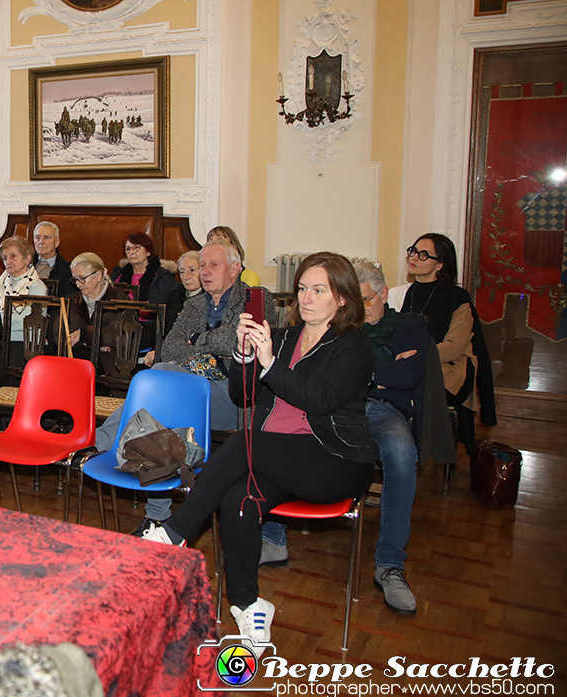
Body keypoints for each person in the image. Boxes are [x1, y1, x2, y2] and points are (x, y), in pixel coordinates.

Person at [143, 252, 376, 657]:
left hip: (334, 462)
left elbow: (321, 401)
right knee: (237, 500)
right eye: (302, 288)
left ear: (342, 298)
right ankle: (249, 605)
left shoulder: (354, 346)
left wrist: (268, 364)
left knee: (243, 442)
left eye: (318, 290)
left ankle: (174, 532)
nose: (306, 298)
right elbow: (242, 395)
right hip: (275, 459)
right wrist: (244, 356)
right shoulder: (284, 338)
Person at [260, 258, 432, 615]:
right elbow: (313, 384)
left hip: (381, 408)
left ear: (384, 295)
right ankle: (272, 536)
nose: (361, 306)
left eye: (368, 299)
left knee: (401, 451)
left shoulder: (409, 328)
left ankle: (389, 564)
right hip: (328, 409)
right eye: (356, 298)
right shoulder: (334, 328)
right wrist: (376, 371)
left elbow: (406, 376)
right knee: (279, 426)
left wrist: (363, 374)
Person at [401, 233, 496, 452]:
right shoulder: (411, 293)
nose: (414, 257)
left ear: (440, 264)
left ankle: (409, 449)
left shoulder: (458, 297)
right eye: (413, 251)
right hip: (417, 364)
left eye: (424, 255)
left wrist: (415, 354)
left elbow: (454, 348)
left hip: (450, 371)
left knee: (401, 382)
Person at [147, 241, 251, 431]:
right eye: (202, 265)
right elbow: (169, 348)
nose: (205, 272)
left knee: (157, 387)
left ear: (235, 269)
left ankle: (101, 445)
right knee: (158, 377)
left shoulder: (253, 300)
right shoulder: (195, 305)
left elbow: (234, 341)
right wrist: (213, 354)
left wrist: (195, 339)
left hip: (233, 394)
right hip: (193, 384)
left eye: (214, 265)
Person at [0, 235, 48, 368]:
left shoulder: (37, 287)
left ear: (27, 258)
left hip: (26, 344)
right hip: (1, 339)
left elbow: (28, 320)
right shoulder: (0, 284)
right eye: (5, 258)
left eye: (13, 256)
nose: (8, 261)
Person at [65, 252, 111, 360]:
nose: (78, 284)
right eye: (75, 279)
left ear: (98, 275)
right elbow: (60, 329)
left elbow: (119, 333)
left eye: (82, 278)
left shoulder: (119, 301)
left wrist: (86, 335)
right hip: (76, 358)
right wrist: (94, 342)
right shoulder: (71, 300)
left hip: (107, 362)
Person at [31, 221, 78, 296]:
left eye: (46, 237)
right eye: (37, 238)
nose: (41, 241)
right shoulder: (24, 266)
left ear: (57, 242)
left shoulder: (70, 270)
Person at [163, 250, 202, 337]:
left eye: (192, 270)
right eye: (182, 272)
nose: (186, 277)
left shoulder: (212, 297)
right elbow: (168, 331)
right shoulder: (175, 296)